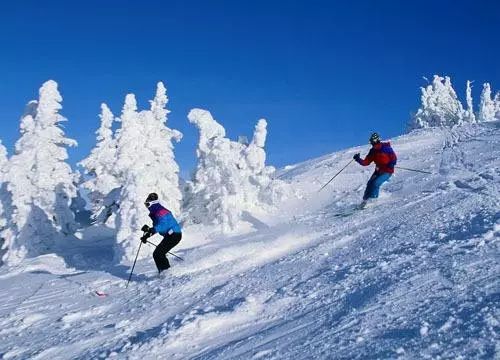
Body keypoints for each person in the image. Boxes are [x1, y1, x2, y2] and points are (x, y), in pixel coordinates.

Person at [141, 193, 182, 274]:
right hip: (170, 235)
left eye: (147, 204)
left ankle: (167, 273)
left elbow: (163, 225)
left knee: (158, 253)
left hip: (174, 235)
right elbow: (157, 227)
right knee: (157, 254)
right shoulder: (156, 213)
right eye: (145, 204)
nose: (147, 207)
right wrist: (147, 235)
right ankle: (163, 272)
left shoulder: (161, 211)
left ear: (153, 203)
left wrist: (150, 229)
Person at [353, 132, 397, 208]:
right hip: (378, 171)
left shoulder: (386, 148)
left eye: (373, 141)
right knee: (370, 183)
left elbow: (394, 158)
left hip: (387, 171)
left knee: (376, 183)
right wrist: (358, 159)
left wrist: (391, 163)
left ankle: (373, 200)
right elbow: (366, 162)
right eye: (371, 142)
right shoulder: (372, 151)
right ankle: (365, 201)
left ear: (377, 140)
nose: (372, 144)